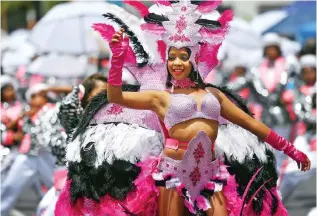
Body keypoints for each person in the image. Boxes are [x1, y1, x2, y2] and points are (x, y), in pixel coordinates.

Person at [97, 1, 310, 215]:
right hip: (173, 174)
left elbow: (251, 124)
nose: (176, 63)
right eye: (171, 57)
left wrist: (291, 150)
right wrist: (117, 59)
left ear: (196, 58)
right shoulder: (161, 97)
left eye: (183, 56)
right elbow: (116, 96)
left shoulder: (215, 95)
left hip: (212, 173)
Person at [36, 74, 108, 216]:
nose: (104, 97)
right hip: (68, 188)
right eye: (99, 93)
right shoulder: (73, 117)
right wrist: (78, 88)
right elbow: (67, 105)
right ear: (85, 95)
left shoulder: (113, 119)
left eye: (107, 93)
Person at [0, 84, 69, 216]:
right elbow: (10, 129)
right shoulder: (27, 113)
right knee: (10, 186)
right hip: (27, 156)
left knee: (58, 189)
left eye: (39, 95)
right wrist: (23, 116)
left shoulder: (53, 109)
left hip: (47, 156)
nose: (35, 99)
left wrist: (51, 89)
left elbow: (74, 96)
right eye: (33, 96)